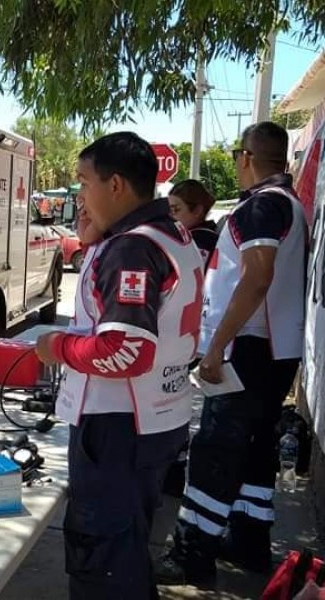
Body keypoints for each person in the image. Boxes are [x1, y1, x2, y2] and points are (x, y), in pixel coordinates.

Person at [34, 132, 204, 599]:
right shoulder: (171, 233)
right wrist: (95, 242)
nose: (79, 196)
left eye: (85, 183)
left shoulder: (132, 248)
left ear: (115, 186)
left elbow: (124, 351)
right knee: (127, 548)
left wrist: (57, 346)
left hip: (119, 427)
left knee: (104, 563)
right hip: (156, 417)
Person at [158, 122, 308, 585]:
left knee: (215, 451)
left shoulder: (260, 207)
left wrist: (217, 344)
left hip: (246, 348)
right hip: (274, 349)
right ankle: (247, 539)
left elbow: (256, 276)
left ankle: (191, 554)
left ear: (246, 158)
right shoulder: (289, 205)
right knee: (254, 448)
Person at [168, 179, 219, 267]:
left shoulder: (200, 242)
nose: (169, 216)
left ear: (197, 210)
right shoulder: (205, 238)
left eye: (175, 210)